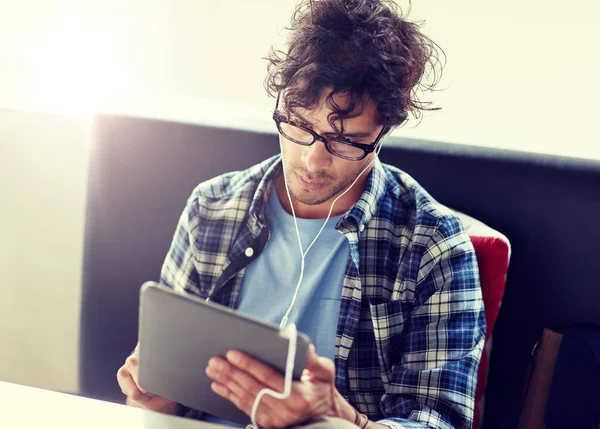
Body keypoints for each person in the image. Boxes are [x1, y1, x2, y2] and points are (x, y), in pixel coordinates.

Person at [117, 1, 486, 428]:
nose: (313, 161)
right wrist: (157, 400)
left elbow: (440, 421)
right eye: (298, 124)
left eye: (346, 142)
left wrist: (340, 419)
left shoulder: (433, 246)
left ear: (384, 131)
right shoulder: (211, 209)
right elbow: (166, 403)